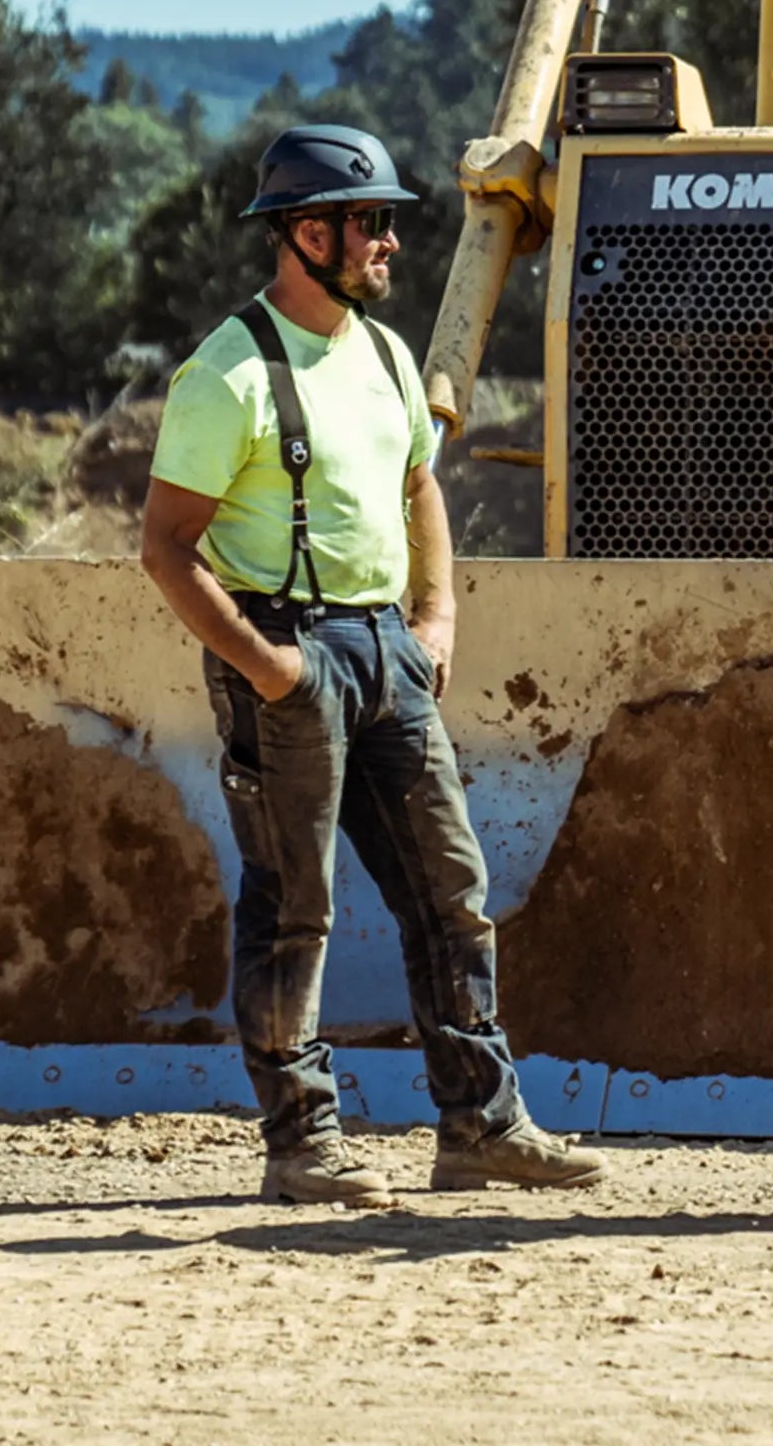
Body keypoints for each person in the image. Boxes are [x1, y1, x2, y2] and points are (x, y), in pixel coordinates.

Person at [137, 123, 610, 1208]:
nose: (390, 244)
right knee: (294, 905)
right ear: (308, 232)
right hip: (290, 651)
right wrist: (266, 667)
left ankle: (480, 1125)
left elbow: (418, 488)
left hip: (387, 653)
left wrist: (434, 616)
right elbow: (164, 546)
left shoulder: (388, 356)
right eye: (371, 223)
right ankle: (300, 1141)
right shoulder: (227, 375)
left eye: (388, 223)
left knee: (450, 888)